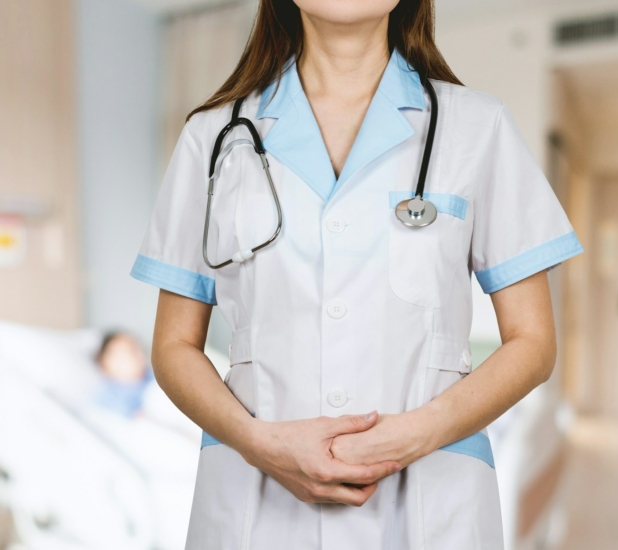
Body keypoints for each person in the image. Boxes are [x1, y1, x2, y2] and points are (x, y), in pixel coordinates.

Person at [130, 0, 583, 548]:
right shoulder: (214, 137)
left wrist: (416, 435)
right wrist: (259, 442)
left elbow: (533, 344)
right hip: (257, 504)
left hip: (430, 503)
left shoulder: (476, 127)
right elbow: (174, 346)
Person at [94, 331, 153, 418]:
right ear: (106, 363)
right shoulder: (110, 396)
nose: (140, 355)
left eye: (139, 349)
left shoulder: (152, 377)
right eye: (130, 351)